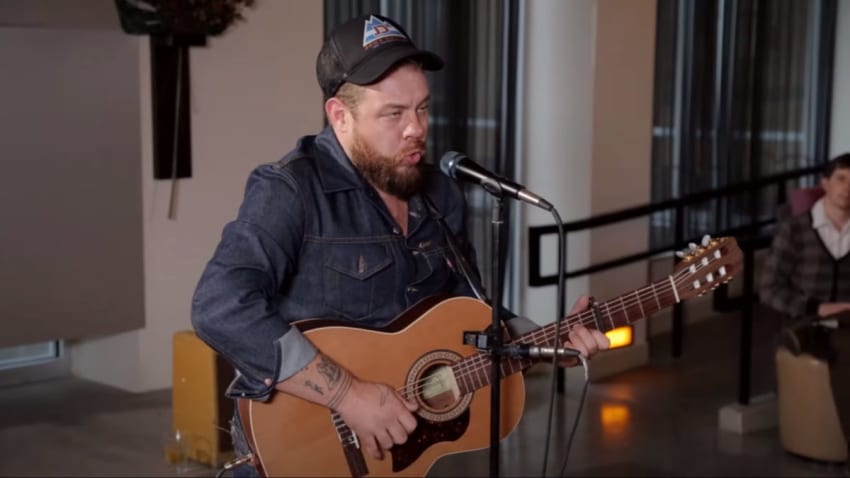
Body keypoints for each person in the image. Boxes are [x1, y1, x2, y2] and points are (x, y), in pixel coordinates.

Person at [191, 13, 610, 474]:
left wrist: (546, 341)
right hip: (297, 447)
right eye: (394, 113)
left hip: (399, 450)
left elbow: (465, 310)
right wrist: (348, 395)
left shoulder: (440, 194)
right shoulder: (290, 190)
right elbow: (219, 305)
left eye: (423, 108)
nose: (417, 129)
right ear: (340, 116)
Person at [760, 153, 850, 456]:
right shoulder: (797, 229)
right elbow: (769, 289)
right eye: (841, 178)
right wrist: (816, 308)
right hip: (806, 324)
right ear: (825, 183)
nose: (847, 187)